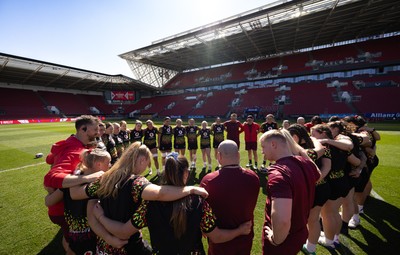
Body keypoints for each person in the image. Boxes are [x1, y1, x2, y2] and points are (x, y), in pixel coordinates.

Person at [91, 153, 252, 254]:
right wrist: (240, 230)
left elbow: (123, 232)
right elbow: (216, 236)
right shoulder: (198, 201)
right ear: (186, 173)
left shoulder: (149, 203)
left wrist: (100, 217)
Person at [70, 142, 209, 255]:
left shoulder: (105, 178)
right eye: (147, 163)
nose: (145, 167)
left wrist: (82, 175)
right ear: (142, 160)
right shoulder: (136, 182)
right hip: (128, 245)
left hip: (104, 247)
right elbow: (159, 193)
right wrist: (190, 189)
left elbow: (75, 194)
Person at [43, 115, 104, 253]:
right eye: (95, 129)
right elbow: (50, 177)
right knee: (74, 246)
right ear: (83, 129)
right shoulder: (75, 151)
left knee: (69, 237)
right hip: (64, 209)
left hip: (60, 206)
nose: (98, 133)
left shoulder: (70, 143)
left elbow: (49, 158)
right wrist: (86, 178)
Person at [259, 129, 320, 255]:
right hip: (300, 231)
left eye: (263, 147)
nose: (262, 152)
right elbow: (317, 175)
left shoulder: (278, 174)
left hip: (284, 240)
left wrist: (275, 240)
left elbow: (282, 221)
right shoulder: (305, 162)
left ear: (273, 145)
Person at [45, 149, 111, 255]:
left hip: (74, 234)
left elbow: (49, 201)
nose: (110, 166)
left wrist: (49, 190)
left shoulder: (72, 180)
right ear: (98, 164)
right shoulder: (96, 185)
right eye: (108, 163)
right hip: (89, 236)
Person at [200, 140, 260, 255]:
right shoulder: (253, 177)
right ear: (238, 155)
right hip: (245, 237)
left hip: (220, 240)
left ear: (219, 156)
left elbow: (202, 211)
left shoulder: (209, 181)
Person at [287, 124, 332, 255]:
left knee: (311, 219)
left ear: (295, 137)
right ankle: (310, 245)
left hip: (312, 190)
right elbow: (327, 166)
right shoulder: (319, 146)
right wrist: (318, 178)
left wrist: (313, 181)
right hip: (322, 186)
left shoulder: (298, 152)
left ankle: (310, 248)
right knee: (313, 218)